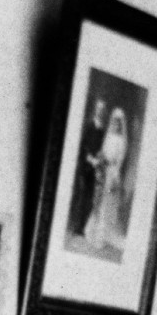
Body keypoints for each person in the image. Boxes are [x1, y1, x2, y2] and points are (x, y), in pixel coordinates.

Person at [84, 107, 130, 252]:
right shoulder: (109, 136)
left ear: (121, 125)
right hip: (103, 170)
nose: (115, 126)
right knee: (98, 201)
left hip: (112, 173)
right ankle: (92, 232)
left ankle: (101, 237)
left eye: (118, 124)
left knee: (105, 204)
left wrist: (115, 176)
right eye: (114, 123)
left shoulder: (122, 141)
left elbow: (119, 161)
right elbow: (103, 152)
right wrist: (100, 160)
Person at [69, 97, 107, 238]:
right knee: (82, 195)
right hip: (85, 165)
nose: (100, 112)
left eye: (102, 110)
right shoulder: (89, 125)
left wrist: (98, 159)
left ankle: (83, 228)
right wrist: (90, 158)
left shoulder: (102, 130)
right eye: (98, 109)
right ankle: (76, 227)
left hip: (94, 167)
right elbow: (82, 145)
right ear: (95, 110)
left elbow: (100, 148)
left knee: (90, 198)